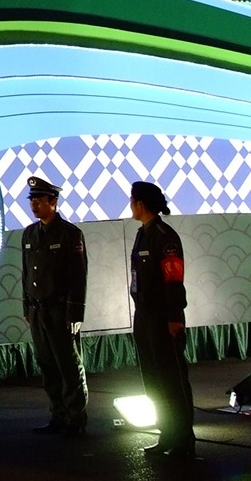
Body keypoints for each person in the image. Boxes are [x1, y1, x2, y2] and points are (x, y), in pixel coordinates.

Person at [129, 181, 195, 459]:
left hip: (162, 318)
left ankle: (183, 439)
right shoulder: (142, 234)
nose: (130, 206)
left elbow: (173, 280)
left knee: (172, 379)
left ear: (141, 204)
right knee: (153, 380)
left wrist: (174, 317)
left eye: (132, 201)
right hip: (144, 317)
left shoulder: (164, 236)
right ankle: (166, 434)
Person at [22, 176, 89, 436]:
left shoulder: (70, 233)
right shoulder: (30, 233)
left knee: (69, 365)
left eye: (39, 200)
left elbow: (78, 276)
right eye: (32, 200)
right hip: (38, 311)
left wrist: (75, 312)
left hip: (60, 310)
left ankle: (76, 418)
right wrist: (27, 307)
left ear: (53, 201)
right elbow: (26, 273)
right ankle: (58, 415)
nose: (34, 205)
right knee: (47, 365)